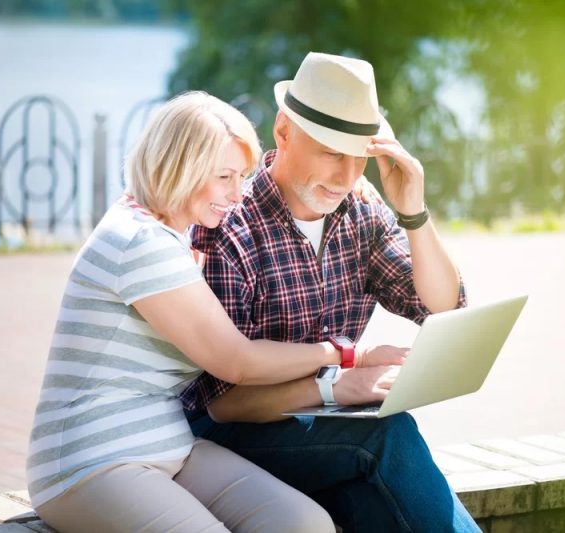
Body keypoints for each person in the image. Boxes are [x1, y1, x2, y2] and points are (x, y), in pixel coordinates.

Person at [25, 91, 405, 533]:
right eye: (224, 176)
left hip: (169, 444)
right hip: (89, 460)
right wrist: (347, 356)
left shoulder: (172, 236)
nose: (238, 193)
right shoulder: (138, 241)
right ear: (178, 168)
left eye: (242, 176)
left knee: (303, 523)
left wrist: (348, 180)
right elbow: (236, 361)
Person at [182, 53, 482, 532]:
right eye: (331, 152)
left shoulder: (362, 213)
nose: (346, 177)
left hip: (321, 425)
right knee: (386, 436)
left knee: (370, 497)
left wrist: (415, 212)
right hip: (229, 434)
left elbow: (441, 307)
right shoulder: (232, 227)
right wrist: (337, 385)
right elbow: (223, 401)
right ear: (283, 133)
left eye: (360, 156)